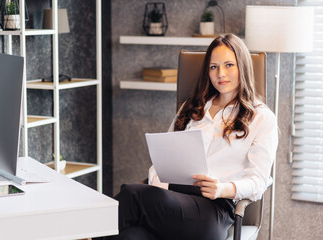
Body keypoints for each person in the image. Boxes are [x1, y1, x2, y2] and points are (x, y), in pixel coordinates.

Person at [100, 33, 278, 240]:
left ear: (243, 66)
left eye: (229, 65)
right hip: (171, 201)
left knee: (132, 194)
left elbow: (258, 181)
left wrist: (222, 188)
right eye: (213, 67)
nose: (221, 73)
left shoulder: (261, 118)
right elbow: (163, 158)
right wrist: (158, 183)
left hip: (213, 211)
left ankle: (79, 231)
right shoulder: (192, 107)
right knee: (128, 236)